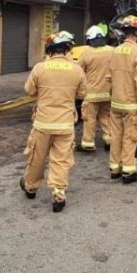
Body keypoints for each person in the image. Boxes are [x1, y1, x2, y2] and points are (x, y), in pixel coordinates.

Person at [21, 31, 86, 212]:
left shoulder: (40, 68)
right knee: (61, 160)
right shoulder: (77, 69)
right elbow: (83, 93)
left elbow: (29, 90)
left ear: (49, 50)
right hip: (65, 124)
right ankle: (59, 194)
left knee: (37, 158)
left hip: (43, 123)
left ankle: (30, 187)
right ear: (67, 50)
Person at [107, 14, 137, 184]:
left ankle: (115, 169)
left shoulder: (115, 51)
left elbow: (108, 77)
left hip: (116, 102)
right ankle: (129, 171)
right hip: (131, 104)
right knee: (130, 137)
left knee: (116, 136)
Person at [77, 25, 114, 153]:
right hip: (108, 92)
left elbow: (78, 71)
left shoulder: (87, 53)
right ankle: (109, 139)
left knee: (89, 118)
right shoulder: (112, 51)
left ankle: (88, 143)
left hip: (91, 93)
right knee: (106, 116)